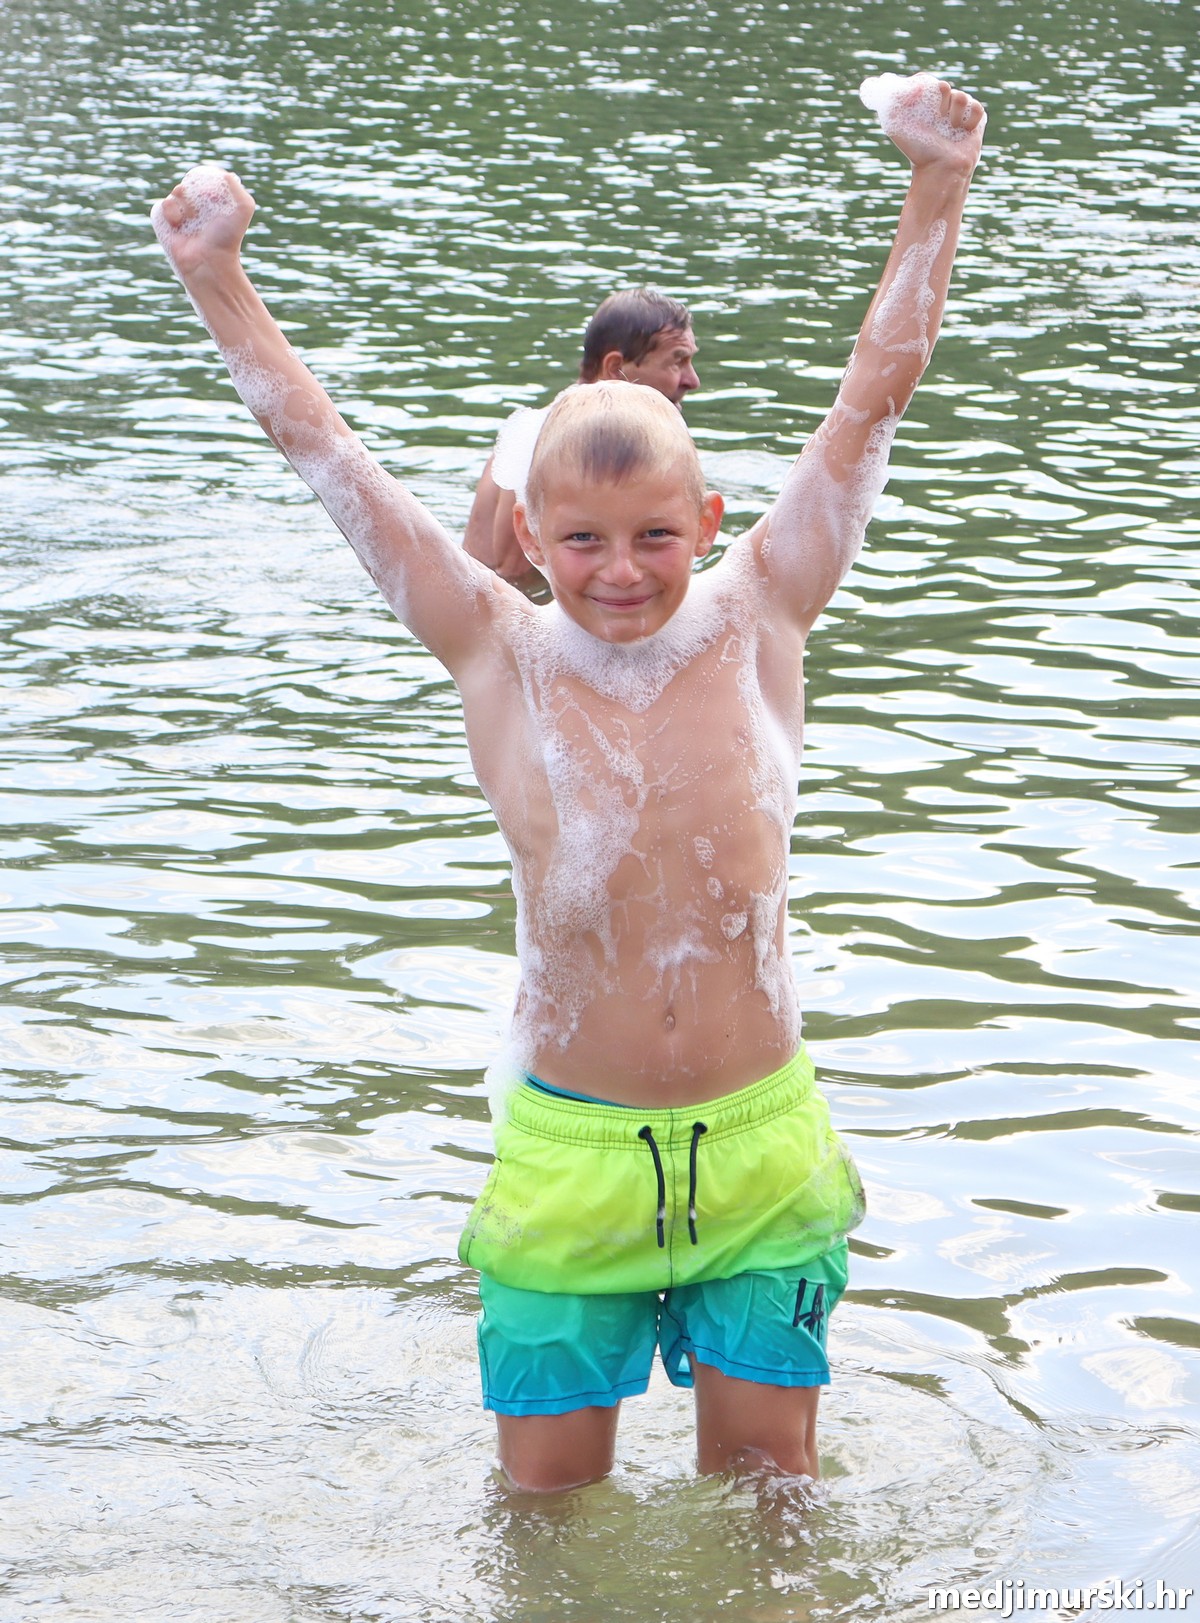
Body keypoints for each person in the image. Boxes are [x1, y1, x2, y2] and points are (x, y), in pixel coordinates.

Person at [151, 71, 985, 1494]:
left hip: (760, 1145)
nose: (621, 570)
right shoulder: (499, 647)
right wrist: (215, 278)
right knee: (541, 1512)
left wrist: (936, 183)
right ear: (530, 536)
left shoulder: (763, 609)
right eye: (583, 539)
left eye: (655, 535)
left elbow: (871, 403)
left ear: (706, 519)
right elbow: (325, 452)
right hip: (568, 1150)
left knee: (775, 1497)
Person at [463, 289, 700, 591]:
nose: (692, 381)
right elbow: (513, 578)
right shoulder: (552, 444)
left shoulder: (573, 435)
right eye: (677, 362)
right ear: (615, 368)